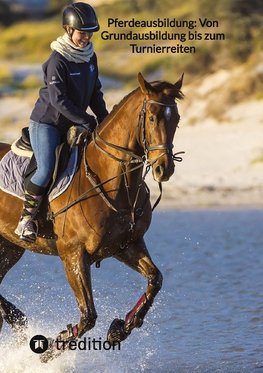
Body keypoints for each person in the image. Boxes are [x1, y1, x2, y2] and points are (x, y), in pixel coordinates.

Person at [15, 2, 108, 242]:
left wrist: (104, 118)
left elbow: (95, 92)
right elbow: (58, 100)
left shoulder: (90, 57)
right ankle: (26, 220)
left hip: (75, 123)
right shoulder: (58, 60)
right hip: (47, 123)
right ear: (68, 29)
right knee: (46, 169)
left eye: (90, 32)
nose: (86, 37)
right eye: (82, 32)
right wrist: (85, 119)